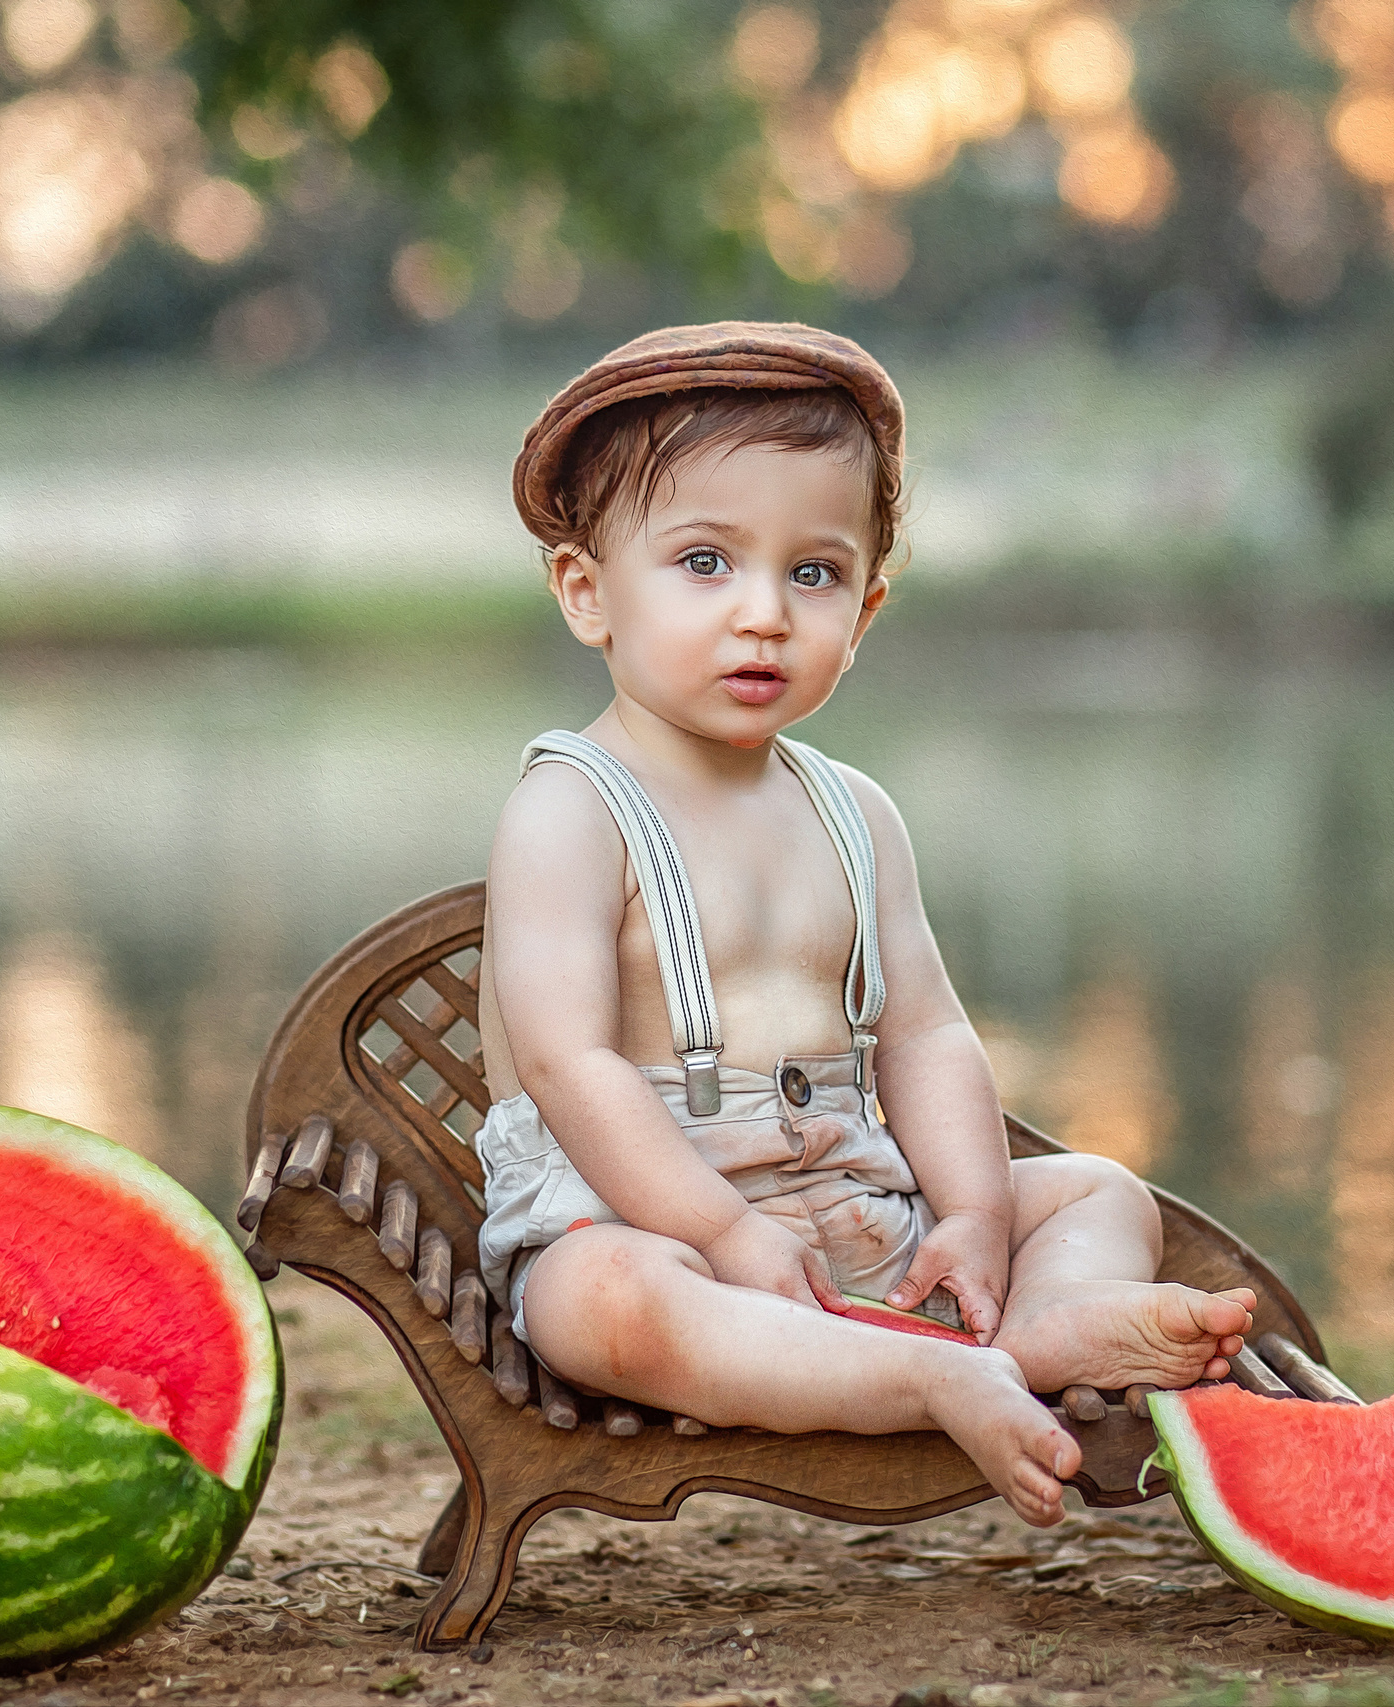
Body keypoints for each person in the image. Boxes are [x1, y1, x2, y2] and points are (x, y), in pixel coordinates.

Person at [472, 323, 1254, 1526]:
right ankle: (926, 1374)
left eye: (813, 574)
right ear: (588, 593)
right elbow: (568, 1067)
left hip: (847, 1203)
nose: (763, 616)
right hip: (643, 1214)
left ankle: (1028, 1330)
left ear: (867, 609)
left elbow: (926, 1036)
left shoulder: (856, 814)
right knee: (607, 1301)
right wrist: (724, 1231)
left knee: (1100, 1193)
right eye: (702, 563)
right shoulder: (569, 808)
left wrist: (976, 1217)